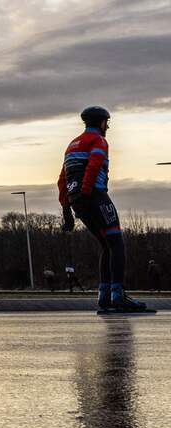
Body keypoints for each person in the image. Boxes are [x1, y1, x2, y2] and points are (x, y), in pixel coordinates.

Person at [58, 106, 146, 312]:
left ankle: (104, 296)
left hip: (76, 201)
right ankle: (118, 295)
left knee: (106, 245)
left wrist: (66, 209)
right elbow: (94, 165)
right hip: (94, 196)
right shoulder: (98, 141)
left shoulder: (71, 145)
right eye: (107, 122)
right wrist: (89, 192)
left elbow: (63, 178)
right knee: (116, 243)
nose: (108, 126)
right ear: (101, 122)